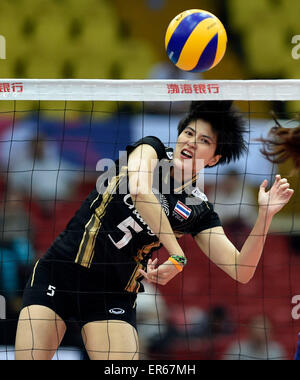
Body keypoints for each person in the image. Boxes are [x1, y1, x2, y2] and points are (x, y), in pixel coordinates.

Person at [14, 101, 294, 360]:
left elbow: (241, 270)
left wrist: (265, 217)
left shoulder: (198, 209)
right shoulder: (151, 149)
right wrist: (177, 254)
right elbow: (139, 191)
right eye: (189, 132)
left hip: (112, 294)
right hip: (62, 271)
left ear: (213, 159)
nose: (191, 142)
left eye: (204, 141)